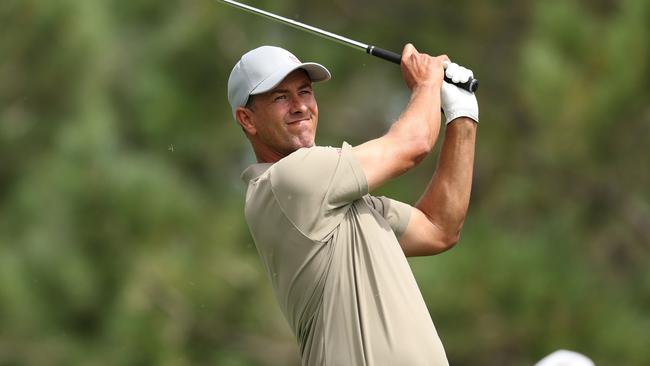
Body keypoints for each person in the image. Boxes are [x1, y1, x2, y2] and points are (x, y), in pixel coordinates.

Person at [228, 44, 478, 365]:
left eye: (304, 92)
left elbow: (438, 228)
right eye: (280, 97)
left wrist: (463, 117)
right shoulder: (287, 180)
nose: (300, 106)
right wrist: (427, 84)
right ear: (247, 119)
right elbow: (413, 145)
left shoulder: (340, 201)